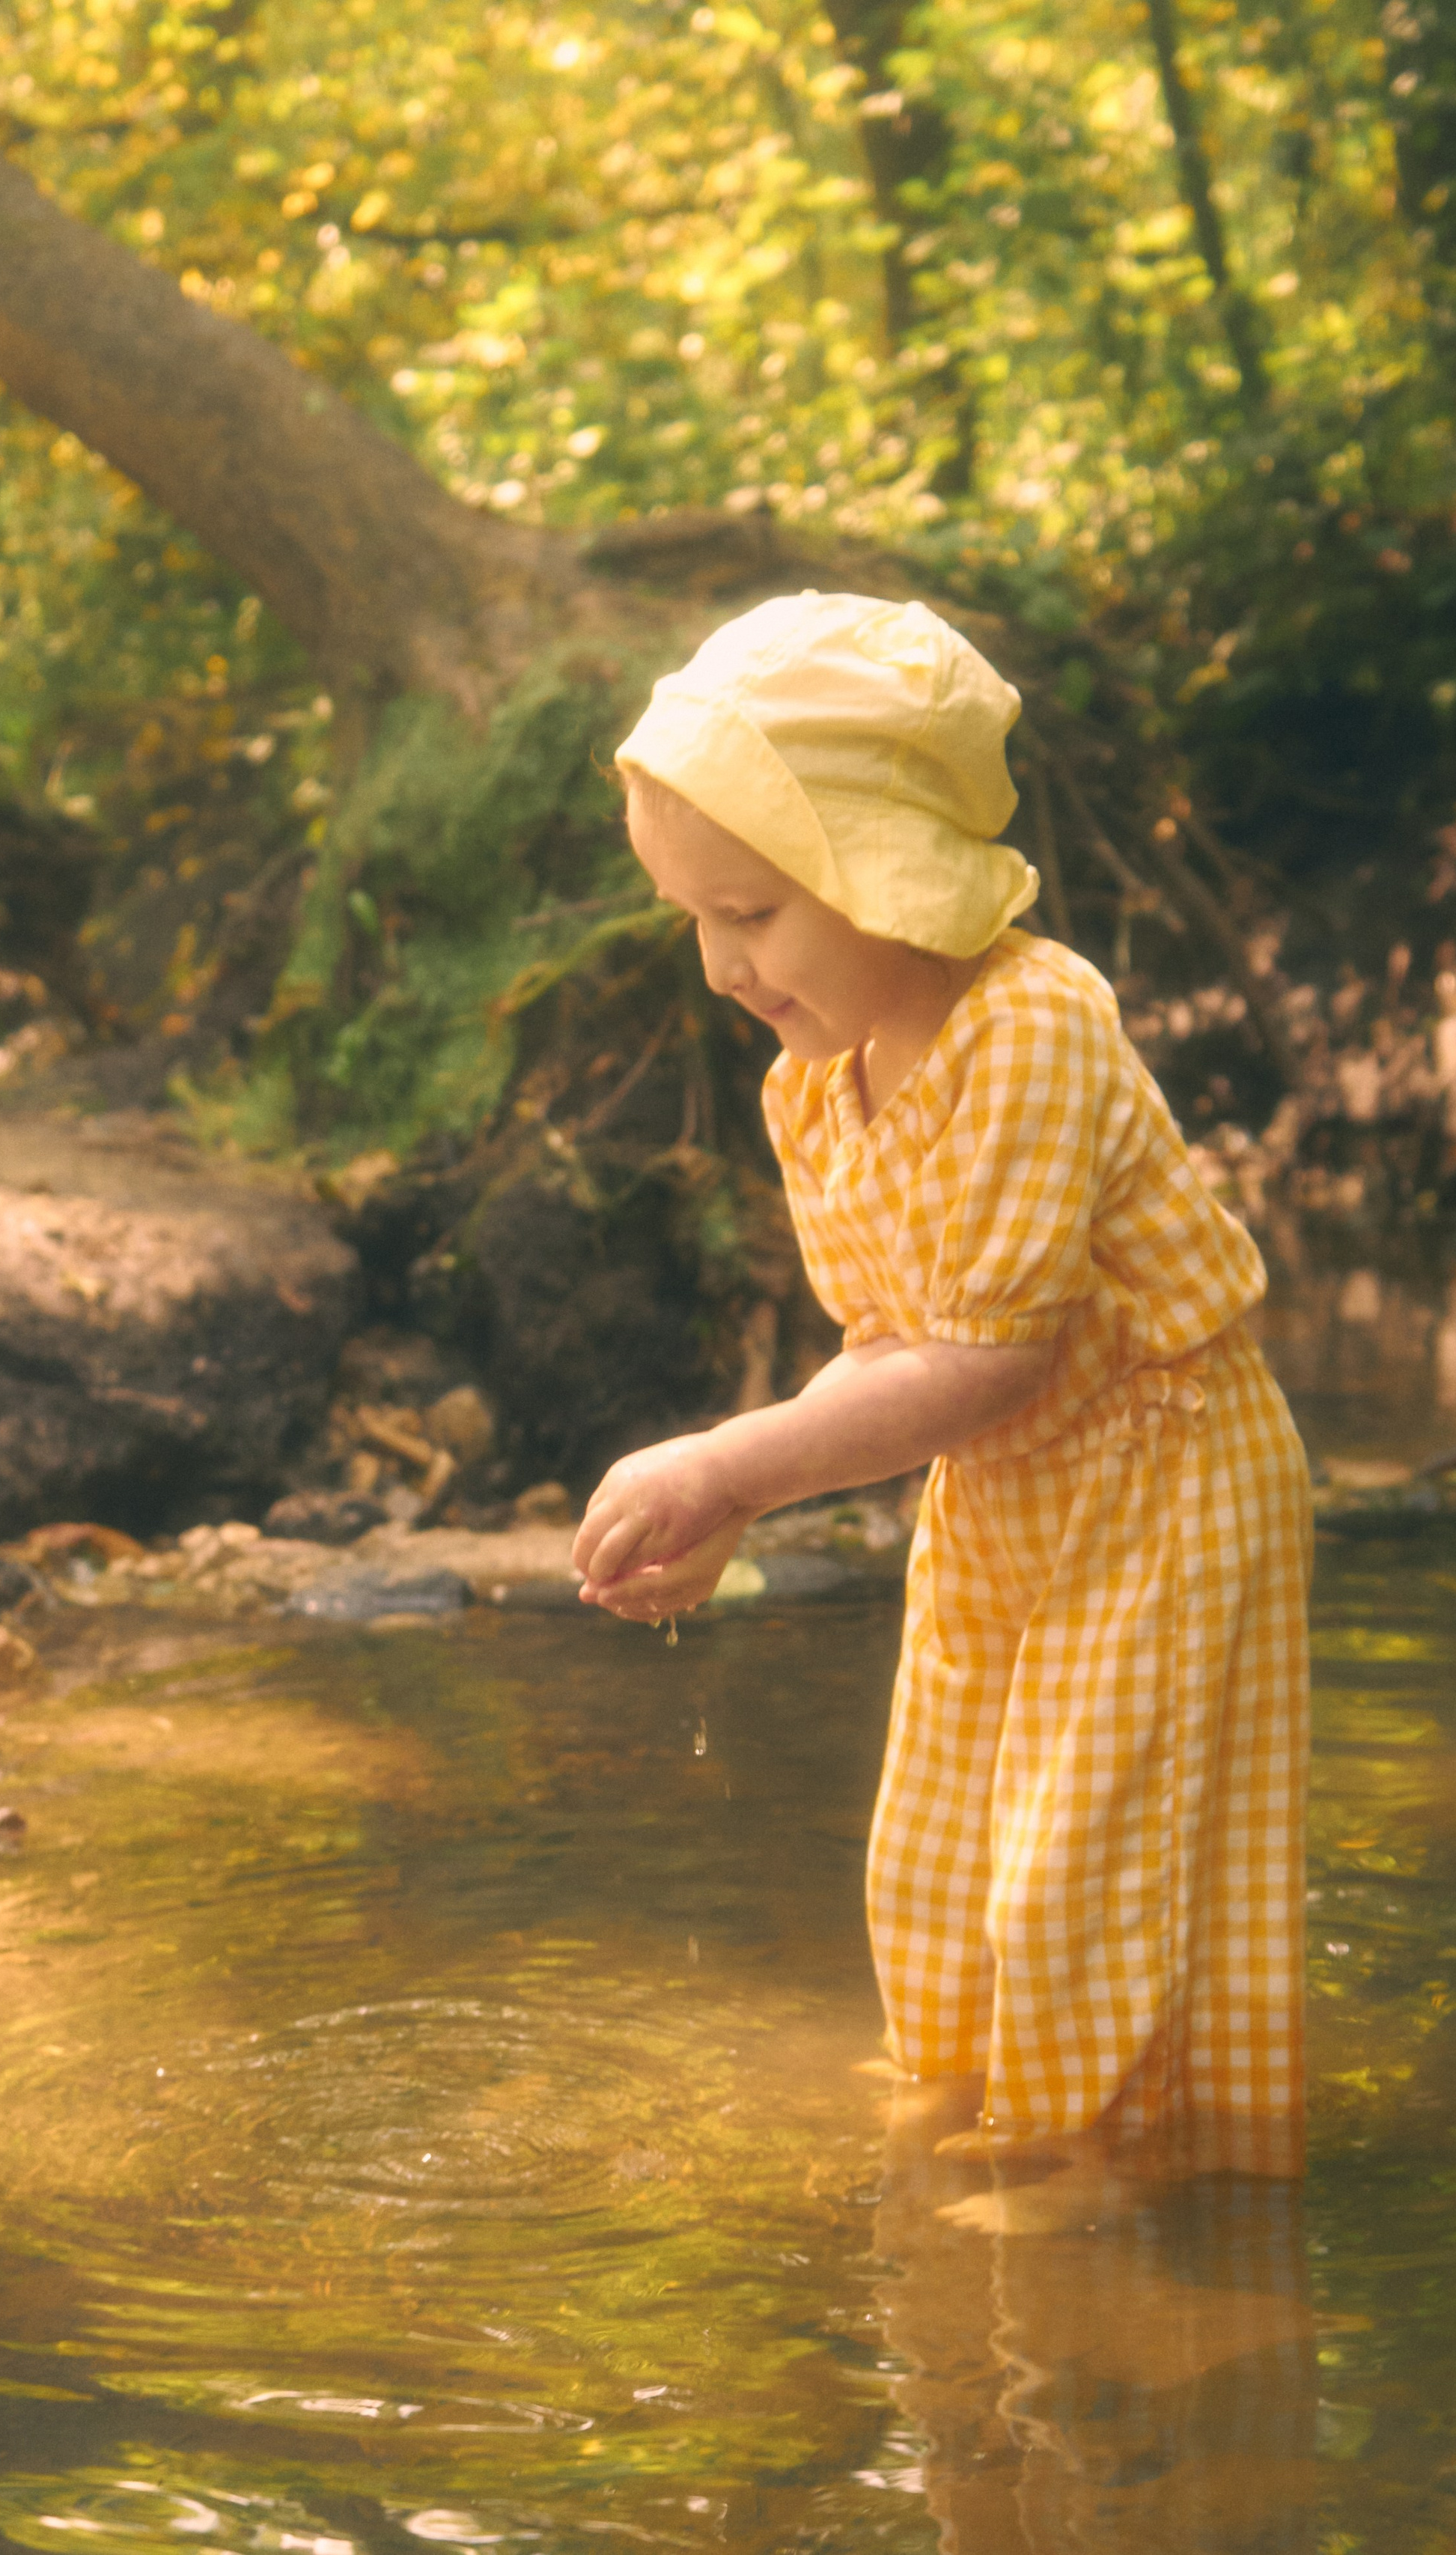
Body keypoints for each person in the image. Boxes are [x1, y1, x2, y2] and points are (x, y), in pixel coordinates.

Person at [570, 591, 1312, 2169]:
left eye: (754, 914)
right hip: (1000, 1488)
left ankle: (1095, 2153)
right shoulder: (811, 1087)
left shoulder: (1028, 1023)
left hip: (1157, 1469)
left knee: (1088, 1853)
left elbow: (991, 1354)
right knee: (938, 1839)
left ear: (879, 868)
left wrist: (728, 1463)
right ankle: (971, 2091)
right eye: (693, 919)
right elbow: (890, 1350)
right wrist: (735, 1516)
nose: (719, 966)